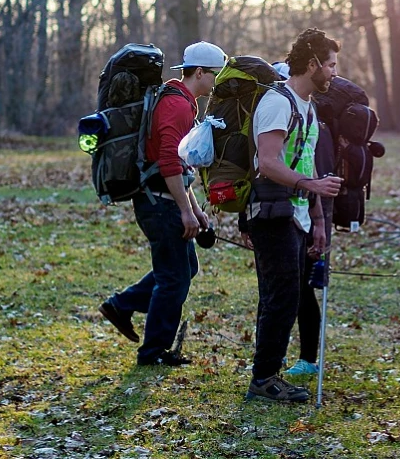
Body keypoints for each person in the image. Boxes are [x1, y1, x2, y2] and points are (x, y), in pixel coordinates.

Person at [99, 41, 226, 366]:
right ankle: (152, 351)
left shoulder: (178, 100)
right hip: (159, 203)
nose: (216, 83)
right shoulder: (177, 106)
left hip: (165, 198)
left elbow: (182, 169)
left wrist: (197, 212)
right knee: (173, 279)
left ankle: (122, 305)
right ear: (200, 72)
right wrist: (185, 211)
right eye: (215, 75)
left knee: (185, 269)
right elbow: (169, 162)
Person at [243, 28, 343, 403]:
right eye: (330, 65)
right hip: (271, 212)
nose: (334, 73)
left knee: (286, 295)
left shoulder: (308, 107)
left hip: (297, 215)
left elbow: (306, 162)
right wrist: (312, 187)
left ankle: (266, 374)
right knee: (280, 297)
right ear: (313, 63)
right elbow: (267, 163)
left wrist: (317, 220)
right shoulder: (277, 102)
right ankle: (264, 378)